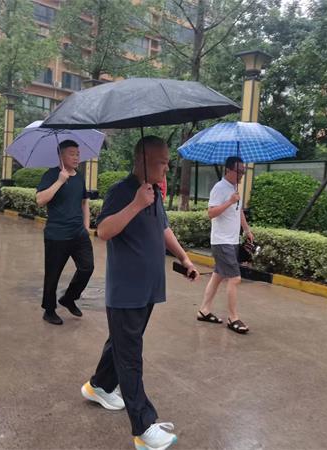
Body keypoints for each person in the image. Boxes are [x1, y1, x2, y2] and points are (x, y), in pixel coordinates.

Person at [81, 136, 199, 450]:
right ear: (142, 160)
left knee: (121, 343)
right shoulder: (122, 192)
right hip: (126, 291)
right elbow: (103, 231)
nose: (167, 167)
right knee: (130, 357)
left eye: (168, 162)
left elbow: (163, 228)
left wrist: (184, 258)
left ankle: (98, 386)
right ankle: (143, 429)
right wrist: (135, 204)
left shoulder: (154, 192)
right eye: (162, 162)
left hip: (148, 289)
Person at [36, 140, 94, 325]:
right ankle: (49, 310)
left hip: (79, 233)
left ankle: (69, 298)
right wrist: (60, 181)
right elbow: (40, 200)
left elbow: (84, 202)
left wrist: (86, 226)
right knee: (53, 275)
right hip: (57, 234)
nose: (76, 157)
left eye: (78, 154)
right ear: (61, 156)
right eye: (72, 154)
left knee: (87, 267)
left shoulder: (79, 177)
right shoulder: (51, 175)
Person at [197, 156, 254, 334]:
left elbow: (239, 212)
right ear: (228, 170)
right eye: (239, 171)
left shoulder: (234, 189)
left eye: (243, 171)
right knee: (235, 279)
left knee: (218, 275)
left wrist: (247, 230)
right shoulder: (220, 188)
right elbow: (211, 213)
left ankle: (204, 310)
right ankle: (233, 318)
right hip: (222, 241)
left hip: (232, 240)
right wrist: (229, 201)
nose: (242, 174)